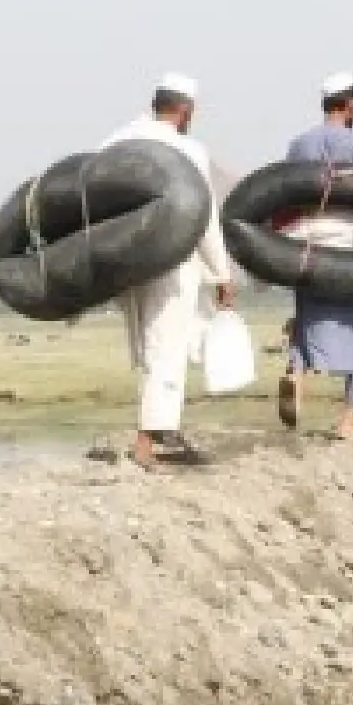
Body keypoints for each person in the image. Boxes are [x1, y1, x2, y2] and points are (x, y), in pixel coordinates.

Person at [100, 73, 236, 469]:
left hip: (123, 259)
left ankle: (163, 429)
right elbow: (203, 217)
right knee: (168, 347)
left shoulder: (117, 140)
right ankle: (147, 444)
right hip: (170, 263)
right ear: (185, 110)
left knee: (152, 345)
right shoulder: (187, 150)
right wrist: (221, 274)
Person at [279, 72, 353, 440]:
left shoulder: (299, 145)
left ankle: (296, 372)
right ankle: (350, 418)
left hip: (306, 246)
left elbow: (284, 193)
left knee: (308, 317)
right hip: (352, 248)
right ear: (351, 103)